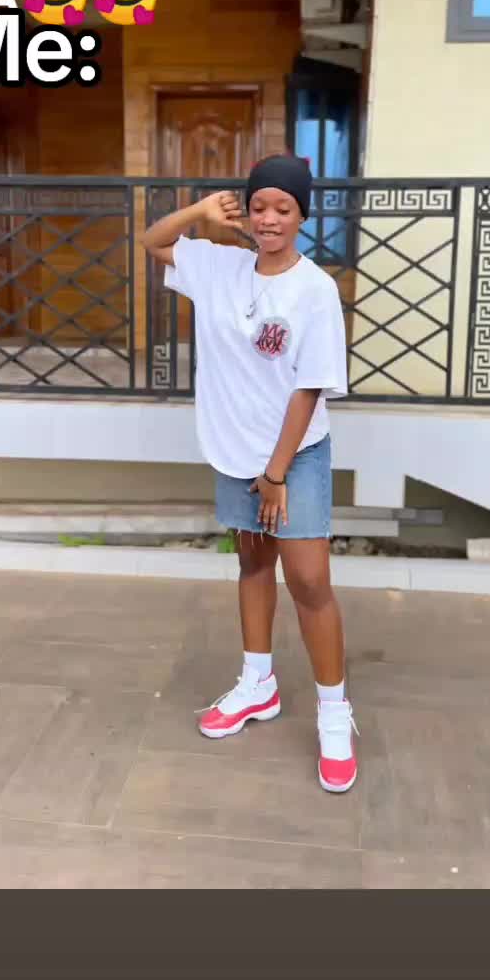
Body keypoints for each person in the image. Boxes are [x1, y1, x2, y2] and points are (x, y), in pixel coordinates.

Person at [140, 154, 358, 793]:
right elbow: (153, 242)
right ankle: (258, 683)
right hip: (235, 451)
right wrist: (200, 211)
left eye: (282, 209)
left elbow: (309, 387)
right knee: (254, 565)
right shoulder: (219, 266)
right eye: (258, 206)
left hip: (293, 454)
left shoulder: (313, 289)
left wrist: (277, 473)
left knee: (309, 580)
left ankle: (334, 712)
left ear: (301, 216)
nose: (268, 219)